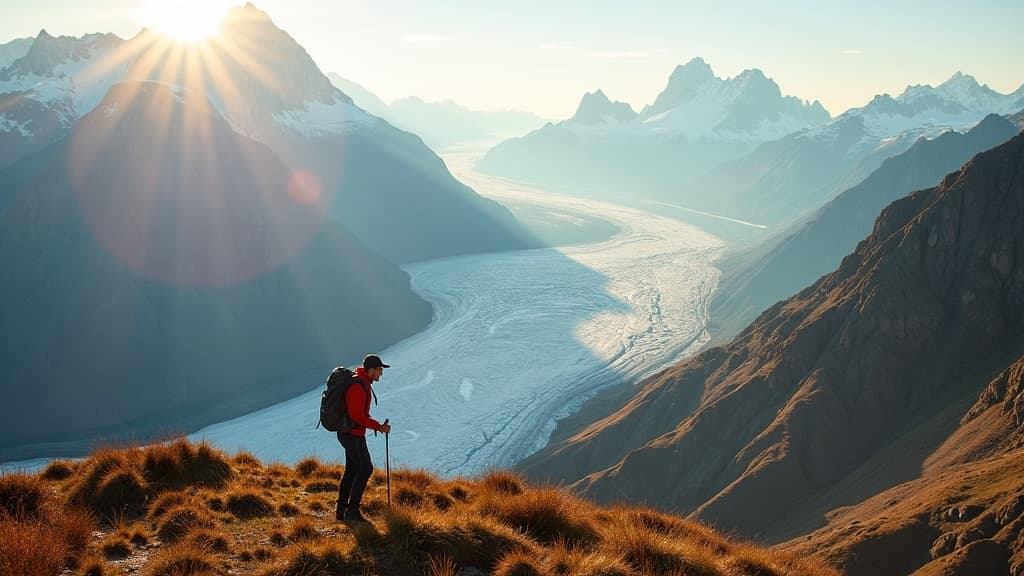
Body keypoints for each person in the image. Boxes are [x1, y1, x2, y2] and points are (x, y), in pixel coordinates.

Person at [336, 354, 392, 523]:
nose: (381, 373)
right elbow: (357, 416)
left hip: (352, 434)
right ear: (371, 370)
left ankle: (342, 511)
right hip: (351, 434)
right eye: (380, 370)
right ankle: (352, 512)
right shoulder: (358, 387)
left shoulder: (362, 382)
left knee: (352, 470)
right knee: (365, 469)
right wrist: (379, 427)